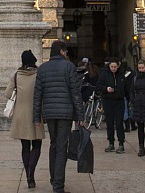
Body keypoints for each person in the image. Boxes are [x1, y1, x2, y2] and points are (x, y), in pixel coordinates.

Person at [31, 40, 84, 193]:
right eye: (65, 51)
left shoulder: (42, 68)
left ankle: (54, 179)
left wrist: (36, 117)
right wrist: (80, 115)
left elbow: (37, 95)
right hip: (65, 113)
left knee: (54, 145)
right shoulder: (69, 67)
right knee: (62, 147)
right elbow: (75, 93)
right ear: (61, 51)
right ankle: (58, 185)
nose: (66, 53)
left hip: (49, 113)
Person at [6, 49, 45, 189]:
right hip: (36, 114)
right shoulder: (39, 75)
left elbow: (8, 93)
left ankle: (29, 175)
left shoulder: (16, 75)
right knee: (37, 145)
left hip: (20, 115)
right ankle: (31, 173)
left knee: (25, 146)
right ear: (34, 62)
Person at [97, 58, 128, 153]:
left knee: (119, 123)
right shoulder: (104, 74)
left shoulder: (122, 74)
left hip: (119, 101)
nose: (113, 68)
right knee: (109, 123)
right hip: (108, 100)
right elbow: (98, 86)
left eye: (115, 67)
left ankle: (121, 143)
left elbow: (126, 87)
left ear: (118, 66)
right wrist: (106, 89)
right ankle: (111, 142)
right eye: (112, 67)